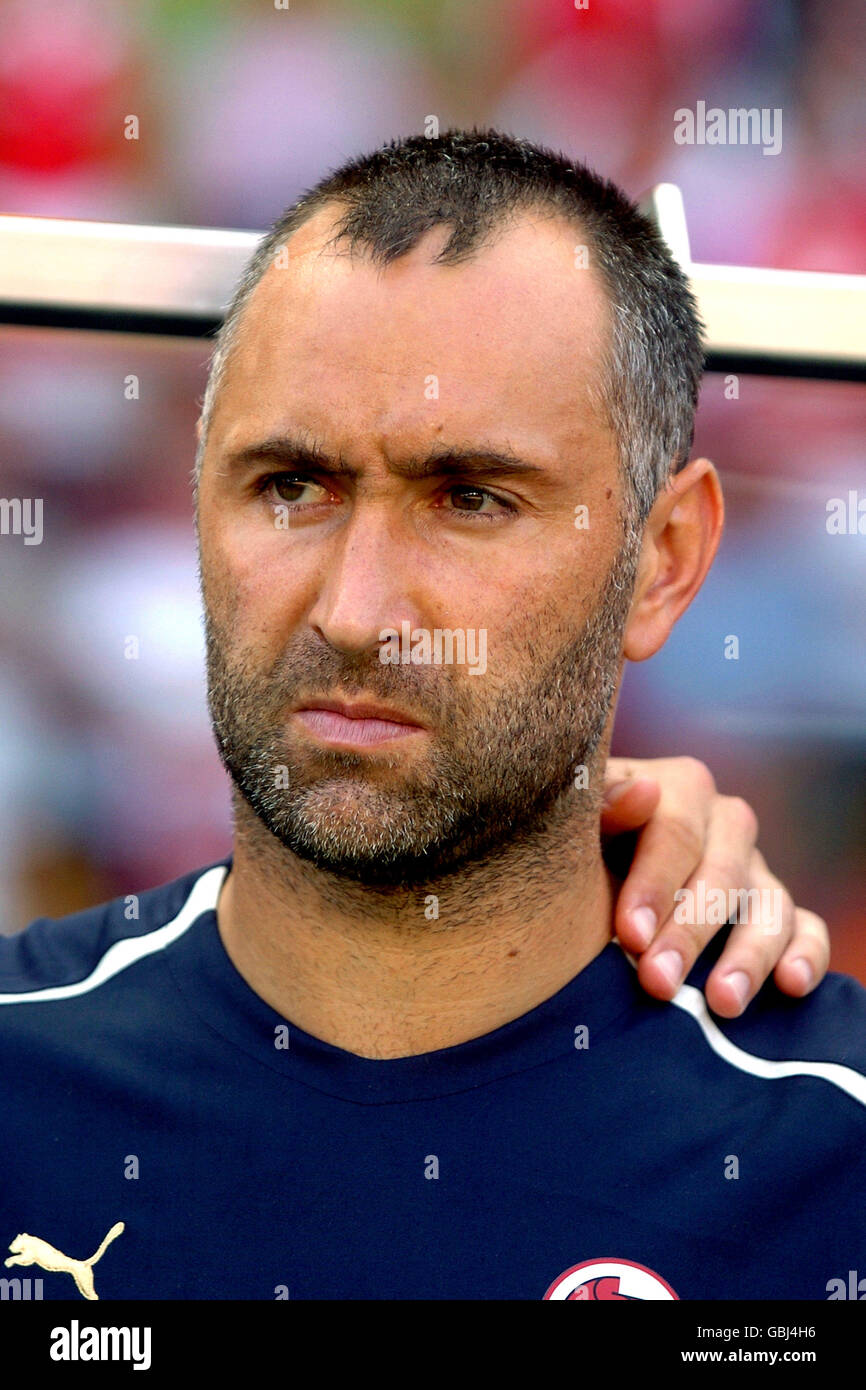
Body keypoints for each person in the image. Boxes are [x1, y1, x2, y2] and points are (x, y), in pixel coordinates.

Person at [1, 130, 859, 1303]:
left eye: (470, 499)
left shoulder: (826, 1160)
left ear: (662, 562)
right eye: (289, 486)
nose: (354, 615)